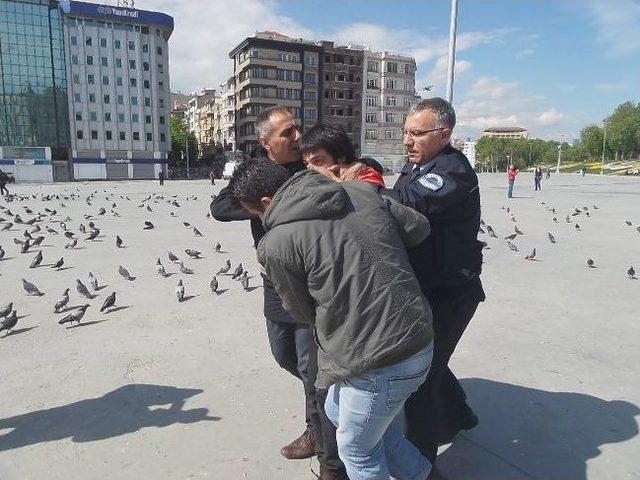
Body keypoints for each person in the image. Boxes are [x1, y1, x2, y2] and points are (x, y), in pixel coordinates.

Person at [230, 158, 439, 480]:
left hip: (379, 360)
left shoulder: (276, 243)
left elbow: (299, 311)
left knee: (356, 449)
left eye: (257, 214)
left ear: (267, 203)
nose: (261, 220)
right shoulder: (361, 192)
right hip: (420, 337)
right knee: (339, 414)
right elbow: (419, 228)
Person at [322, 98, 483, 466]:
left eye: (416, 133)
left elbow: (406, 202)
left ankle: (422, 463)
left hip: (450, 294)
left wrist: (360, 184)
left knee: (421, 384)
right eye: (405, 133)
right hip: (427, 287)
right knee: (432, 362)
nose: (407, 141)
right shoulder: (419, 166)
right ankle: (460, 415)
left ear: (444, 134)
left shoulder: (451, 171)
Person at [210, 107, 346, 480]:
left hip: (309, 282)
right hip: (273, 278)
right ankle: (324, 415)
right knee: (284, 354)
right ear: (265, 142)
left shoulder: (308, 166)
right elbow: (219, 206)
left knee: (309, 368)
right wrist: (262, 208)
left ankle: (323, 449)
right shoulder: (254, 169)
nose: (297, 136)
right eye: (288, 132)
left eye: (297, 128)